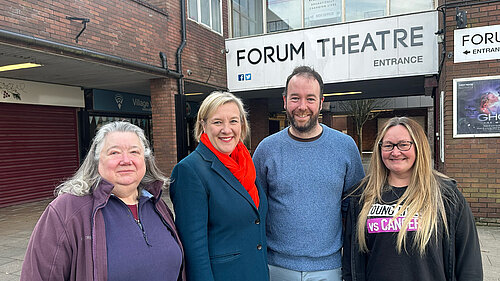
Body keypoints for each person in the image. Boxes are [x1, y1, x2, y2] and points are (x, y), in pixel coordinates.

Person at [21, 121, 185, 281]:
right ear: (97, 160)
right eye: (114, 153)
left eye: (134, 152)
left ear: (145, 160)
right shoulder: (67, 210)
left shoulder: (156, 204)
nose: (126, 160)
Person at [252, 65, 365, 281]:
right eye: (295, 98)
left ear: (321, 102)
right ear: (285, 100)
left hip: (329, 268)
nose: (302, 106)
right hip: (275, 267)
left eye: (310, 99)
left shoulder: (345, 147)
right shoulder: (267, 149)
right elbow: (257, 208)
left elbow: (354, 207)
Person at [342, 117, 483, 281]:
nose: (395, 152)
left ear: (419, 147)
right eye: (388, 145)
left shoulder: (446, 196)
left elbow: (469, 263)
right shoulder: (361, 197)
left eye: (403, 144)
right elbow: (350, 264)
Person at [169, 91, 268, 281]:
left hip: (256, 272)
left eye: (233, 121)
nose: (226, 129)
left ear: (242, 125)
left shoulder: (246, 164)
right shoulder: (190, 170)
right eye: (217, 122)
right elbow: (194, 248)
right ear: (203, 125)